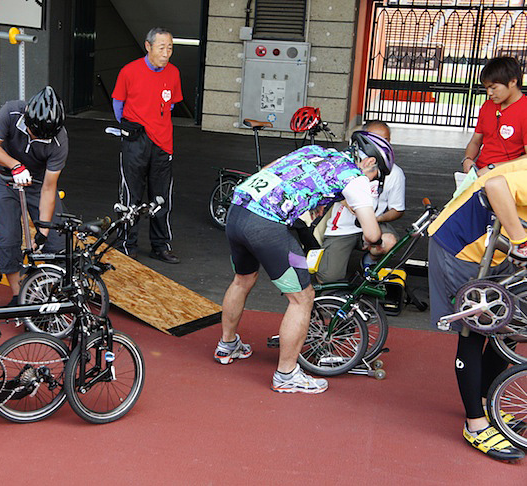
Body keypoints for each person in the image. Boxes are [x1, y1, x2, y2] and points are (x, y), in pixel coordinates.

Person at [214, 132, 392, 393]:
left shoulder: (317, 152)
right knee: (302, 297)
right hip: (265, 226)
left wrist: (309, 202)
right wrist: (378, 242)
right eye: (378, 173)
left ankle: (227, 345)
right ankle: (286, 375)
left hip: (239, 210)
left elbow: (268, 172)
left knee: (243, 279)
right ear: (370, 163)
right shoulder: (355, 179)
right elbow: (372, 233)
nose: (375, 180)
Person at [428, 162, 527, 462]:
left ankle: (486, 402)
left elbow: (487, 174)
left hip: (494, 248)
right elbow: (494, 184)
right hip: (458, 247)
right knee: (473, 331)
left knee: (509, 326)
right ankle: (475, 423)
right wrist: (521, 242)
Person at [0, 86, 68, 306]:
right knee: (7, 238)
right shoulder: (11, 112)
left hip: (38, 183)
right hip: (5, 179)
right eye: (34, 132)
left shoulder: (59, 142)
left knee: (56, 240)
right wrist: (15, 165)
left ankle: (48, 295)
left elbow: (50, 188)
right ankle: (19, 296)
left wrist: (43, 230)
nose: (36, 137)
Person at [111, 27, 183, 263]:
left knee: (161, 197)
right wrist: (126, 125)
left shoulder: (173, 73)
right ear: (148, 46)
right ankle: (127, 244)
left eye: (170, 47)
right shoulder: (129, 71)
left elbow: (171, 105)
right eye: (162, 47)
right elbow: (118, 103)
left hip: (163, 142)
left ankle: (160, 246)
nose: (166, 53)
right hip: (136, 140)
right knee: (131, 195)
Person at [317, 121, 405, 282]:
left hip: (373, 226)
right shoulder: (342, 166)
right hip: (343, 228)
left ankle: (370, 261)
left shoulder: (395, 173)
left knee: (389, 241)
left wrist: (374, 219)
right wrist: (344, 200)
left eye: (386, 140)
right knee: (328, 278)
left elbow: (397, 210)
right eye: (375, 139)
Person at [462, 56, 527, 175]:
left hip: (506, 178)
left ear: (513, 81)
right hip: (479, 173)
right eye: (487, 88)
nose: (489, 93)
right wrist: (468, 159)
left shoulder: (524, 110)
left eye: (494, 88)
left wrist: (493, 168)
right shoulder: (487, 106)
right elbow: (476, 140)